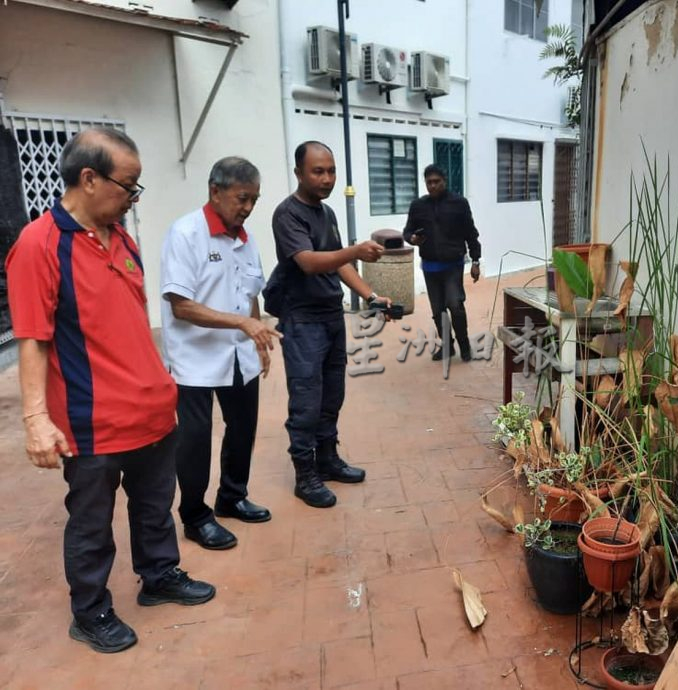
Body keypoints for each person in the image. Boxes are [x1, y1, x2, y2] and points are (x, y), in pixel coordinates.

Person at [5, 127, 215, 654]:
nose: (133, 196)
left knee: (153, 506)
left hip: (151, 412)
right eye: (130, 185)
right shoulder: (39, 246)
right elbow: (33, 340)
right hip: (91, 422)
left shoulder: (119, 236)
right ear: (89, 178)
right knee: (92, 522)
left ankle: (160, 576)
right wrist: (36, 420)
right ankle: (91, 610)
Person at [160, 157, 280, 551]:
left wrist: (257, 336)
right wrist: (243, 324)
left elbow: (251, 293)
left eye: (254, 200)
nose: (247, 208)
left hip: (239, 355)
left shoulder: (246, 238)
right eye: (241, 198)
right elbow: (181, 305)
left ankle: (232, 496)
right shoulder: (186, 234)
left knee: (243, 427)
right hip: (194, 359)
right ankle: (195, 516)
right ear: (215, 191)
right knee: (195, 439)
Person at [270, 140, 390, 508]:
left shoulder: (328, 214)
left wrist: (370, 296)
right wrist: (355, 250)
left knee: (331, 394)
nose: (326, 179)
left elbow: (339, 264)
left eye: (331, 171)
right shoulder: (287, 214)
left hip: (330, 315)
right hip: (302, 319)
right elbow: (308, 261)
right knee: (306, 399)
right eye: (317, 171)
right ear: (298, 173)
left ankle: (327, 459)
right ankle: (305, 476)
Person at [403, 164, 482, 361]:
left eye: (436, 182)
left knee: (455, 304)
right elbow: (407, 231)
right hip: (430, 266)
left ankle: (464, 345)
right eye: (429, 182)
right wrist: (411, 239)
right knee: (438, 309)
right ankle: (448, 346)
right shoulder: (418, 206)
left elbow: (471, 233)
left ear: (444, 182)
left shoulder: (459, 204)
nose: (432, 186)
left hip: (453, 265)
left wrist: (475, 260)